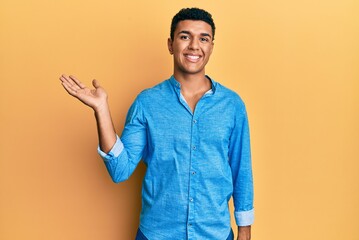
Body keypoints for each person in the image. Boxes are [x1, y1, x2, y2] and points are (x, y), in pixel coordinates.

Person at [59, 7, 254, 240]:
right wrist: (101, 110)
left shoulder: (232, 105)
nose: (194, 45)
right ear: (171, 44)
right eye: (185, 36)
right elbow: (120, 169)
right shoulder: (147, 102)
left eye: (203, 38)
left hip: (215, 234)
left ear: (211, 46)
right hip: (157, 234)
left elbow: (241, 169)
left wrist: (244, 229)